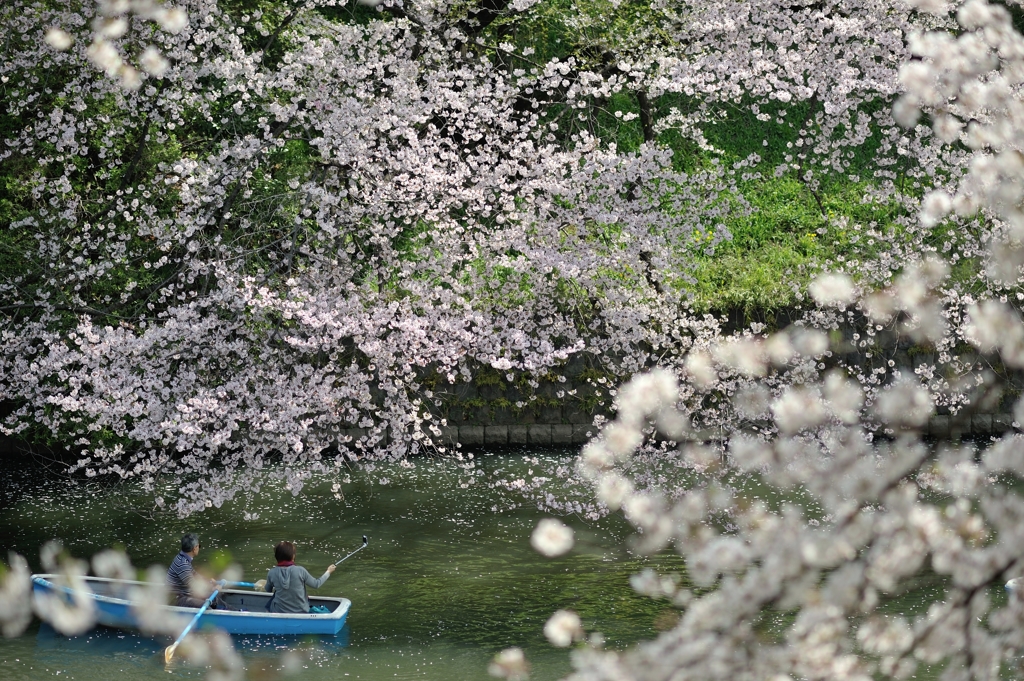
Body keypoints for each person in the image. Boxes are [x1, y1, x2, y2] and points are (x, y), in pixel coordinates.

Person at [261, 541, 336, 613]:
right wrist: (328, 571)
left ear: (276, 556)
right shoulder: (300, 570)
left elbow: (268, 590)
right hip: (302, 611)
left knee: (273, 598)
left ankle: (268, 614)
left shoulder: (271, 572)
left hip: (279, 611)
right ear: (292, 556)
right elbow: (316, 584)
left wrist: (270, 584)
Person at [166, 533, 228, 609]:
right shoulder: (182, 564)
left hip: (184, 594)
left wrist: (209, 581)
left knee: (214, 598)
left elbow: (195, 575)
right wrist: (211, 588)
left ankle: (236, 611)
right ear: (194, 548)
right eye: (199, 546)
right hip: (176, 599)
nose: (199, 548)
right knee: (207, 608)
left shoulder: (183, 558)